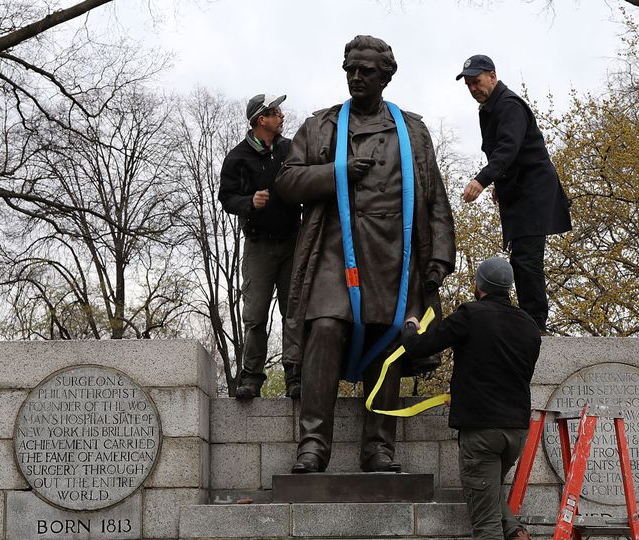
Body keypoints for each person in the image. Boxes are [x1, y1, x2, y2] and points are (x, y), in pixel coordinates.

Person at [276, 35, 455, 474]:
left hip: (394, 254)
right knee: (325, 328)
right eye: (351, 69)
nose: (357, 77)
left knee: (386, 339)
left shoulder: (411, 130)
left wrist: (439, 259)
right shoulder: (322, 126)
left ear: (385, 77)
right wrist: (336, 172)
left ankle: (378, 448)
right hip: (334, 249)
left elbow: (434, 196)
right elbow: (286, 182)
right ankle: (313, 444)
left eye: (367, 71)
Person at [400, 255, 541, 540]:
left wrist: (410, 328)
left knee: (484, 522)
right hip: (515, 431)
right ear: (508, 289)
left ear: (479, 286)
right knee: (491, 492)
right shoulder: (528, 325)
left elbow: (423, 346)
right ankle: (517, 534)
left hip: (480, 431)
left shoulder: (471, 314)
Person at [457, 55, 571, 333]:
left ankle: (535, 325)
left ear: (492, 76)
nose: (474, 88)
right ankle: (530, 320)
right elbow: (507, 154)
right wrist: (501, 183)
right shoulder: (489, 108)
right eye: (469, 84)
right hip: (520, 190)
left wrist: (483, 180)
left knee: (527, 259)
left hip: (533, 192)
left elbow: (508, 148)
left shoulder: (508, 105)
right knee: (521, 257)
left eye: (478, 81)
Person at [218, 93, 302, 400]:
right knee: (254, 315)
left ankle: (296, 376)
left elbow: (307, 176)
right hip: (258, 247)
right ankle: (251, 377)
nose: (281, 116)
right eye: (276, 112)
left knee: (294, 311)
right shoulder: (237, 157)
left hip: (293, 243)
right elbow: (226, 197)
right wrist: (249, 202)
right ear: (261, 120)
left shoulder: (290, 148)